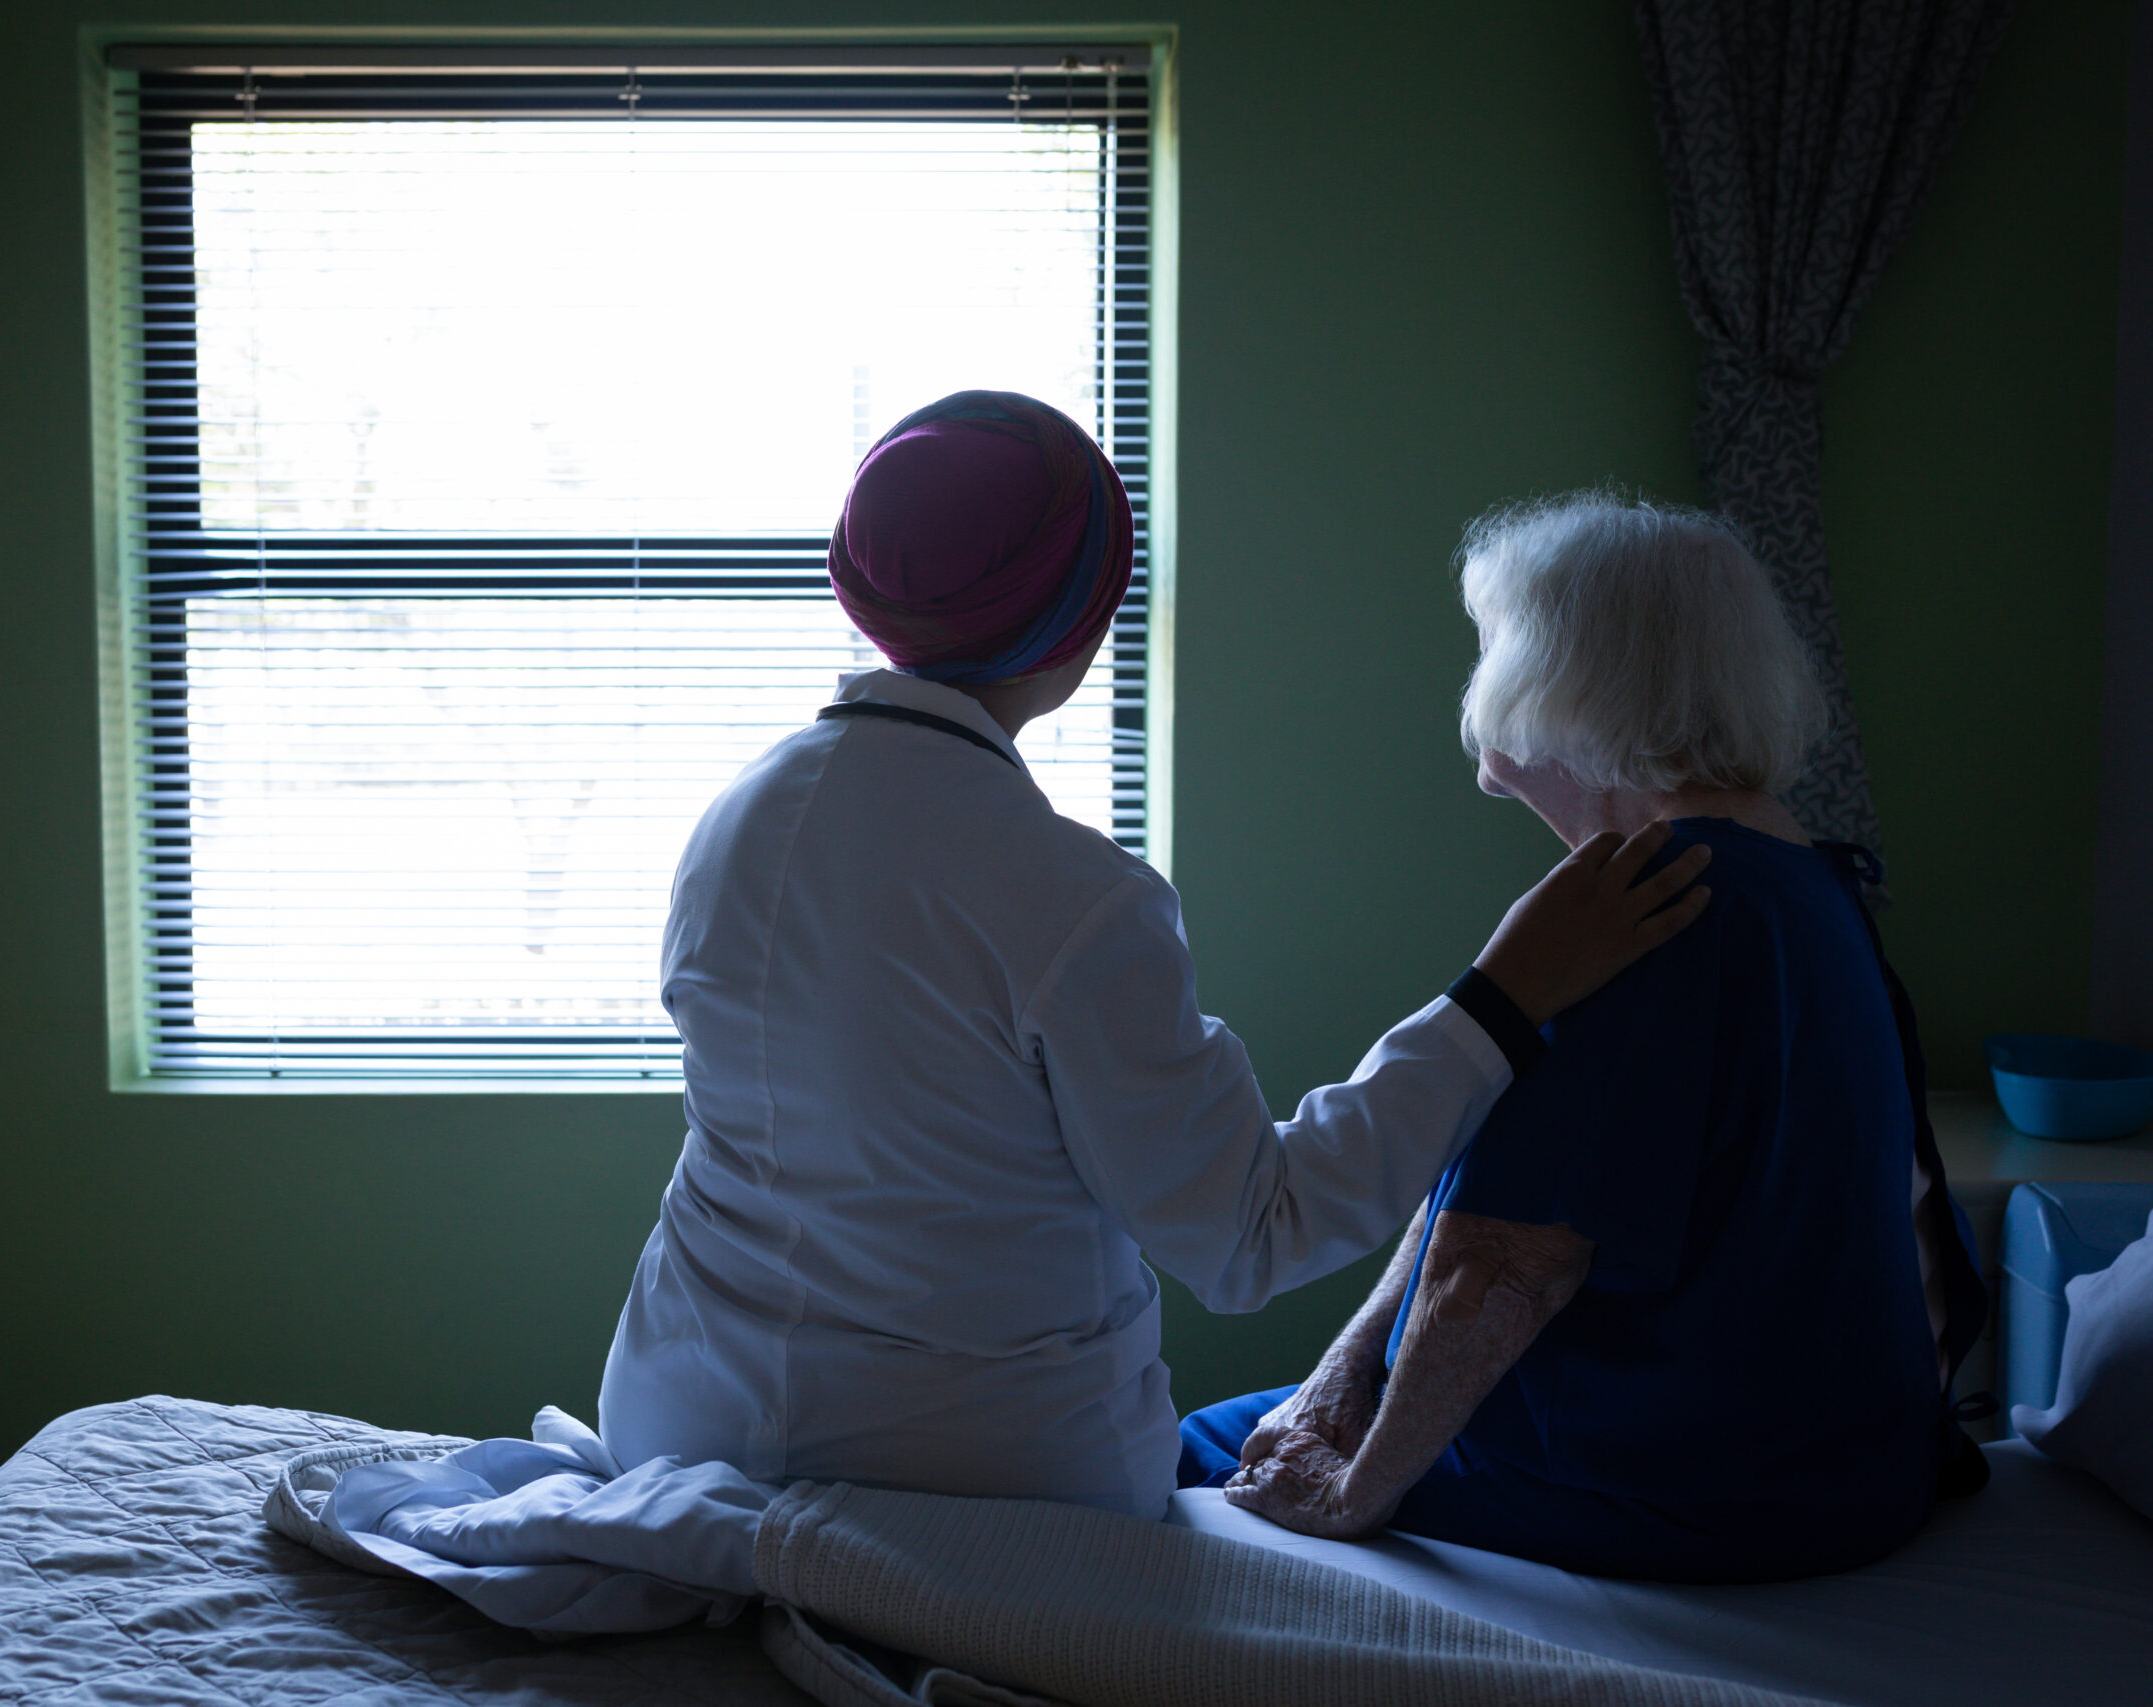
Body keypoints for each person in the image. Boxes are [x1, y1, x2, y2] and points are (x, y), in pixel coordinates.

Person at [596, 402, 1712, 1521]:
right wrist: (1498, 1001)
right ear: (1085, 617)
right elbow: (1248, 1238)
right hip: (978, 1479)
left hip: (678, 1429)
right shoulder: (1073, 899)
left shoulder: (734, 823)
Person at [1187, 491, 1988, 1579]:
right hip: (1841, 1470)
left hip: (1706, 1490)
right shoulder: (1800, 875)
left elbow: (1502, 1267)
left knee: (1192, 1450)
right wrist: (1339, 1380)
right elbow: (1469, 1205)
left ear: (1557, 685)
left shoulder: (1659, 910)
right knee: (1274, 1418)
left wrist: (1354, 1491)